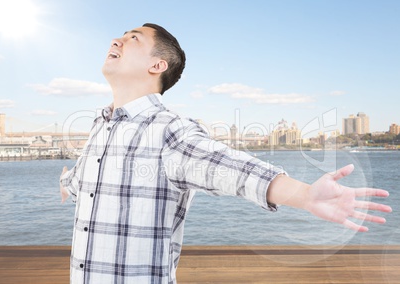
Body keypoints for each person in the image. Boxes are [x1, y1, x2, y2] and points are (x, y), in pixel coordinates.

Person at [60, 23, 392, 284]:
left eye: (132, 38)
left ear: (157, 65)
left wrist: (306, 195)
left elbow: (229, 168)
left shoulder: (168, 130)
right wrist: (69, 181)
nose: (116, 41)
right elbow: (87, 181)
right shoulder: (100, 125)